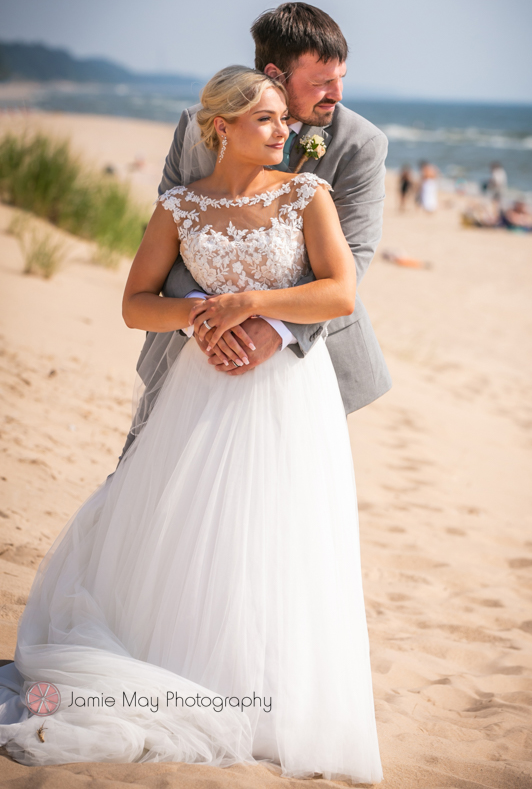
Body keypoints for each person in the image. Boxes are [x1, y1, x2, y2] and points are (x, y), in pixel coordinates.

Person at [0, 66, 384, 783]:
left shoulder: (308, 194)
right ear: (221, 128)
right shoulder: (179, 206)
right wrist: (197, 318)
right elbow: (136, 302)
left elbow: (339, 292)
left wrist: (252, 304)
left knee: (280, 536)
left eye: (284, 119)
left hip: (288, 398)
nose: (285, 131)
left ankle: (276, 701)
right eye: (267, 119)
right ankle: (185, 670)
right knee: (190, 531)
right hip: (197, 391)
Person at [121, 3, 391, 461]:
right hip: (193, 350)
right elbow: (172, 233)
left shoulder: (361, 143)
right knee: (146, 479)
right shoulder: (198, 123)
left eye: (341, 77)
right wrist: (202, 318)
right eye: (322, 81)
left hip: (296, 356)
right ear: (276, 73)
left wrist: (276, 328)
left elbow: (355, 255)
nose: (337, 94)